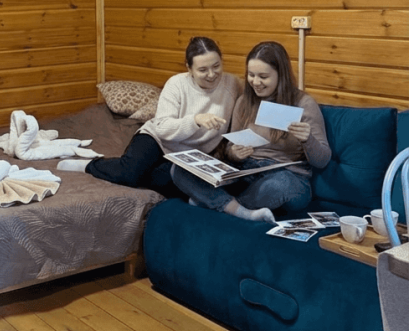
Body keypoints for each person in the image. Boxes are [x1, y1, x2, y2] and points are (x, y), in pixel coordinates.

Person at [171, 40, 332, 221]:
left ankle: (215, 202)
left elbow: (322, 161)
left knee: (280, 185)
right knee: (179, 169)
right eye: (251, 75)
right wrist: (235, 153)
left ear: (281, 75)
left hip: (287, 177)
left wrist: (308, 139)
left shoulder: (304, 104)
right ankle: (239, 210)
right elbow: (230, 149)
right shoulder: (244, 101)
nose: (255, 82)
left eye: (263, 76)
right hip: (246, 173)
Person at [58, 36, 241, 195]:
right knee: (129, 174)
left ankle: (144, 171)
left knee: (174, 182)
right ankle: (90, 165)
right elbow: (162, 128)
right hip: (157, 139)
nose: (211, 74)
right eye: (202, 70)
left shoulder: (232, 84)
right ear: (189, 68)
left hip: (189, 154)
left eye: (216, 66)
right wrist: (195, 120)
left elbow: (253, 97)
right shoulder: (177, 84)